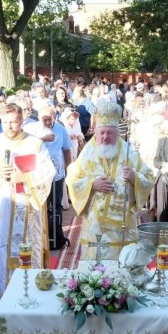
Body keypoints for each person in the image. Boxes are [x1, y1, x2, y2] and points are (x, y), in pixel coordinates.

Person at [0, 103, 57, 305]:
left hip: (26, 205)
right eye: (5, 121)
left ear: (22, 121)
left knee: (27, 244)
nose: (9, 126)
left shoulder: (35, 144)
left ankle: (30, 292)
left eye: (14, 122)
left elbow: (48, 171)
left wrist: (25, 178)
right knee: (0, 245)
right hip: (2, 206)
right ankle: (0, 293)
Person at [65, 102, 156, 263]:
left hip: (123, 225)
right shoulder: (88, 153)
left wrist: (135, 177)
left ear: (118, 134)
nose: (105, 137)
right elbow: (72, 178)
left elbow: (149, 177)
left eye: (110, 133)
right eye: (102, 133)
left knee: (123, 267)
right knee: (95, 267)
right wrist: (91, 185)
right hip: (95, 224)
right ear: (96, 133)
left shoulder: (128, 152)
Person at [25, 101, 73, 252]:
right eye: (43, 119)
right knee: (40, 205)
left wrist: (68, 167)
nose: (47, 122)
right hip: (37, 175)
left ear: (54, 116)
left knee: (56, 205)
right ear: (38, 118)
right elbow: (24, 146)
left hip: (57, 173)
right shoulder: (30, 129)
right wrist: (43, 139)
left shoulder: (60, 129)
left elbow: (67, 149)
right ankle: (40, 237)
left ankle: (56, 237)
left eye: (49, 118)